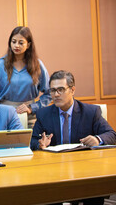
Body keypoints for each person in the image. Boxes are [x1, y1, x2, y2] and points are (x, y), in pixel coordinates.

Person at [31, 71, 116, 205]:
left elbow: (111, 134)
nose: (56, 94)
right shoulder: (43, 114)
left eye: (60, 90)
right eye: (53, 90)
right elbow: (32, 141)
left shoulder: (90, 112)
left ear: (72, 90)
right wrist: (40, 144)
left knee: (94, 191)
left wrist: (97, 139)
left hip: (85, 171)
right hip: (54, 172)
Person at [0, 26, 51, 128]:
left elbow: (49, 93)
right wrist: (1, 109)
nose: (16, 45)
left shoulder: (37, 65)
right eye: (13, 41)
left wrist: (32, 108)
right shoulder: (0, 64)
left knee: (30, 142)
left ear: (28, 45)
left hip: (29, 115)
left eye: (21, 43)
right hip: (4, 114)